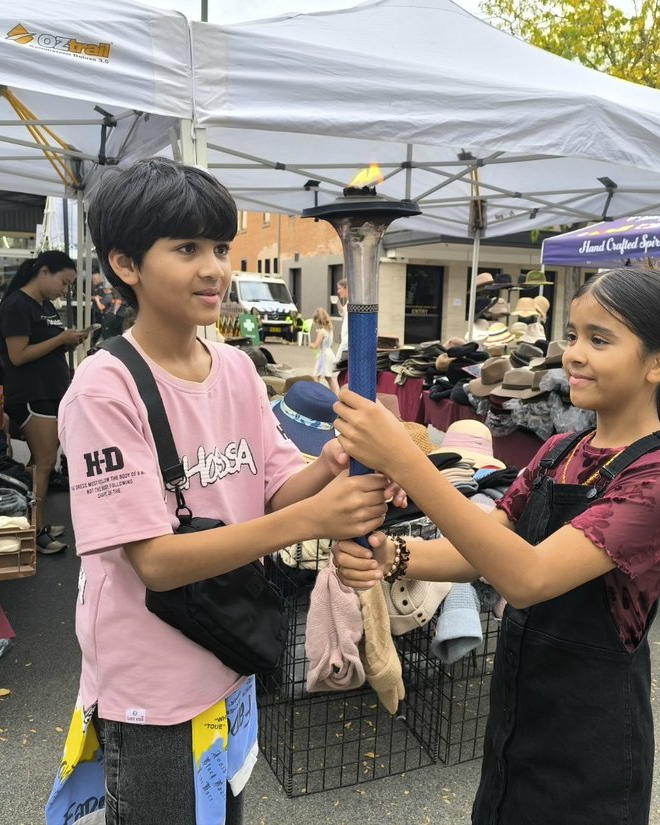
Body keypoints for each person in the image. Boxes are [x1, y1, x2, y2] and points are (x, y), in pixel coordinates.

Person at [59, 157, 396, 825]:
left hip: (230, 656)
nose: (214, 268)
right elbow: (155, 561)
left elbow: (275, 487)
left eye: (219, 247)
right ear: (125, 264)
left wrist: (330, 466)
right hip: (153, 687)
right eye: (187, 248)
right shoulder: (104, 389)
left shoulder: (238, 368)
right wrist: (315, 519)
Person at [333, 264, 660, 825]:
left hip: (593, 738)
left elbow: (527, 578)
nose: (574, 354)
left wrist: (407, 461)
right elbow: (482, 551)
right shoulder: (559, 451)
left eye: (600, 339)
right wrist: (394, 557)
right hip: (517, 712)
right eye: (573, 335)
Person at [0, 250, 86, 554]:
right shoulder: (17, 306)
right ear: (44, 272)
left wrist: (67, 341)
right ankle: (34, 531)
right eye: (64, 282)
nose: (65, 290)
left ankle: (35, 522)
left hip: (50, 391)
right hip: (32, 394)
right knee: (44, 463)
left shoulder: (43, 305)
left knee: (42, 462)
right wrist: (60, 339)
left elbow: (42, 346)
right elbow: (18, 356)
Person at [309, 307, 338, 392]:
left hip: (323, 356)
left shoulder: (322, 332)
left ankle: (318, 393)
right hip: (330, 353)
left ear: (317, 320)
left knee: (316, 376)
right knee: (328, 377)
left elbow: (315, 346)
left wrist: (311, 345)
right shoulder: (329, 329)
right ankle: (335, 394)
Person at [333, 278, 348, 361]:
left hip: (347, 340)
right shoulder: (348, 303)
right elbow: (343, 313)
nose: (338, 291)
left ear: (346, 288)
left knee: (337, 362)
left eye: (339, 288)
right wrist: (338, 302)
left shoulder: (353, 303)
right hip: (345, 340)